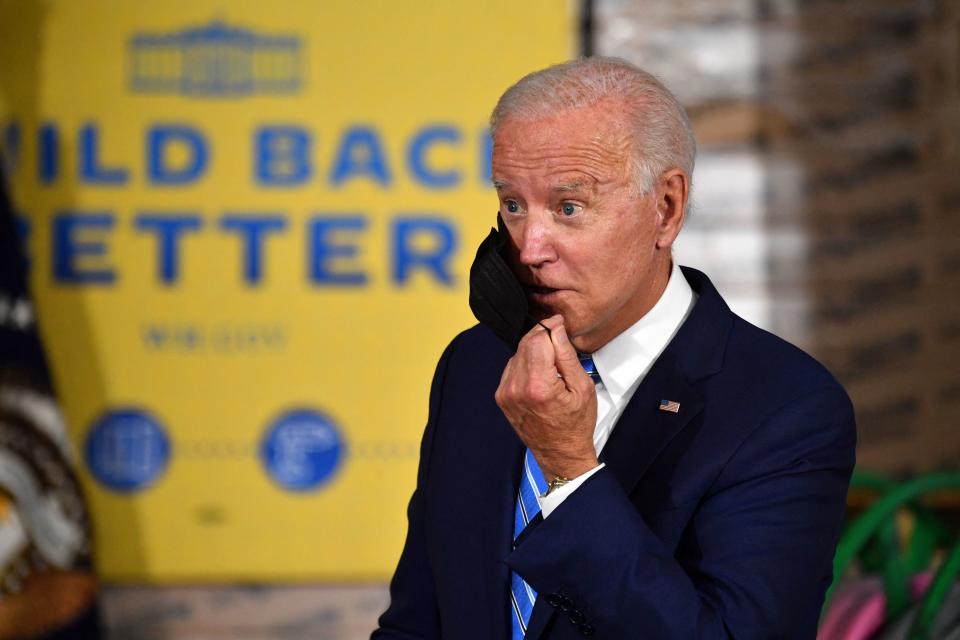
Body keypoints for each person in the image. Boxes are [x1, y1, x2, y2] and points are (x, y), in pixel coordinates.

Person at [373, 57, 856, 639]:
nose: (529, 248)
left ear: (667, 208)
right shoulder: (476, 363)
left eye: (568, 207)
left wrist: (570, 472)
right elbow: (417, 624)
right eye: (512, 205)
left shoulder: (785, 407)